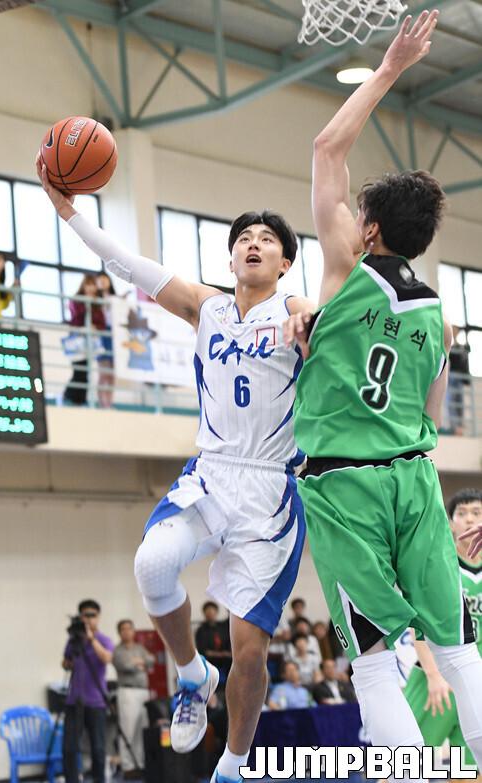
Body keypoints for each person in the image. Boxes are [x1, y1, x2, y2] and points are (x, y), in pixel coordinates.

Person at [37, 158, 314, 783]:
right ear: (231, 258)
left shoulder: (298, 311)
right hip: (212, 474)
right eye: (244, 238)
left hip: (270, 490)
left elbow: (332, 318)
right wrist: (67, 210)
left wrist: (310, 318)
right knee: (152, 564)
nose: (253, 244)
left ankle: (232, 767)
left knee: (250, 651)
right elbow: (126, 263)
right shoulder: (205, 307)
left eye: (268, 239)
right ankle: (192, 673)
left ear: (285, 263)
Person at [284, 10, 482, 767]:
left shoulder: (346, 265)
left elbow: (325, 146)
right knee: (459, 650)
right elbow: (431, 410)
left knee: (370, 659)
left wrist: (392, 66)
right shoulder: (439, 315)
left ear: (367, 229)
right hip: (417, 478)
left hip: (347, 484)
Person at [404, 489, 482, 769]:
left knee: (470, 770)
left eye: (477, 513)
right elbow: (419, 623)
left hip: (475, 679)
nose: (470, 519)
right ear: (450, 523)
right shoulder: (439, 563)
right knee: (404, 766)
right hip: (437, 678)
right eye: (462, 514)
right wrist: (433, 675)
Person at [62, 599, 114, 783]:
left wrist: (91, 639)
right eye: (85, 615)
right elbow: (66, 663)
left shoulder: (104, 640)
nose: (89, 619)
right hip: (73, 700)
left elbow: (107, 658)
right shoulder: (74, 640)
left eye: (92, 615)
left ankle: (99, 779)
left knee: (98, 748)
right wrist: (69, 660)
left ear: (98, 617)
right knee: (69, 747)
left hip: (96, 701)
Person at [113, 619, 154, 779]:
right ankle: (128, 766)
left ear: (133, 631)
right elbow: (124, 666)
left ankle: (140, 763)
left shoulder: (139, 648)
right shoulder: (118, 651)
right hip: (127, 692)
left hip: (143, 692)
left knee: (141, 728)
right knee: (128, 729)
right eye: (123, 629)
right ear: (119, 632)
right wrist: (138, 663)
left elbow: (151, 660)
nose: (127, 632)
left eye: (129, 628)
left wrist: (138, 662)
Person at [63, 274, 106, 406]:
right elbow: (76, 318)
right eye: (88, 285)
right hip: (77, 341)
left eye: (93, 285)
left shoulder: (98, 303)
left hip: (90, 342)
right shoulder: (76, 300)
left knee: (85, 371)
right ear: (83, 286)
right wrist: (87, 304)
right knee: (79, 370)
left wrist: (94, 326)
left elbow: (101, 323)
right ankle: (70, 398)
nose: (90, 288)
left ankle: (80, 400)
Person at [195, 601, 232, 681]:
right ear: (205, 613)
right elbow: (202, 650)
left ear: (216, 612)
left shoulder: (222, 626)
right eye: (208, 612)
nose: (211, 614)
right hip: (210, 662)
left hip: (226, 662)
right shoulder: (201, 630)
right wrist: (222, 654)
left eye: (212, 611)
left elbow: (231, 618)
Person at [96, 271, 116, 409]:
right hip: (102, 334)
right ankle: (102, 403)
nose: (103, 282)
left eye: (105, 279)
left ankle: (109, 402)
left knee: (112, 373)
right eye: (100, 279)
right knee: (103, 371)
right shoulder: (95, 300)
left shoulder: (115, 298)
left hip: (114, 335)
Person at [447, 326, 470, 435]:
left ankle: (460, 426)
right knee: (451, 402)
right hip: (451, 376)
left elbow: (465, 363)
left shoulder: (462, 348)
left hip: (460, 377)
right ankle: (455, 427)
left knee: (460, 402)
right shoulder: (450, 347)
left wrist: (467, 379)